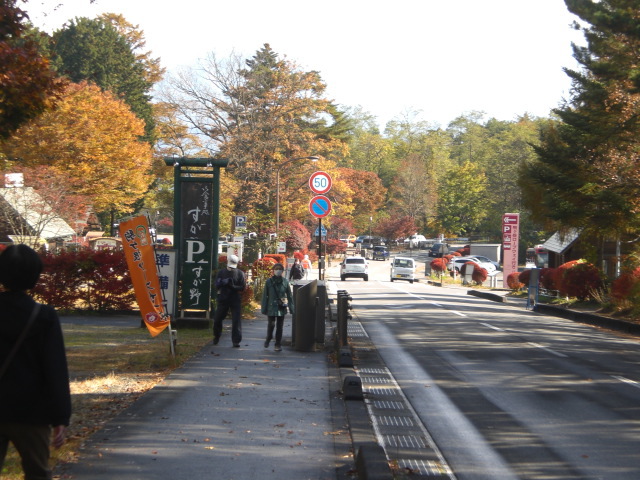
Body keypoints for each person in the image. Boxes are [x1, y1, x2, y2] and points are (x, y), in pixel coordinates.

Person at [0, 244, 71, 480]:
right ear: (35, 276)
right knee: (38, 472)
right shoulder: (43, 316)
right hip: (33, 411)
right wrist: (61, 417)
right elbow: (55, 369)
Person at [213, 254, 246, 347]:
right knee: (217, 319)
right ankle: (216, 336)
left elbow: (242, 287)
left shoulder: (240, 273)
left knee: (236, 320)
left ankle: (236, 341)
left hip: (235, 299)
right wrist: (222, 283)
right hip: (223, 298)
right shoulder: (221, 272)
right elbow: (216, 284)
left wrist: (233, 286)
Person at [261, 263, 294, 352]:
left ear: (282, 271)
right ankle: (268, 338)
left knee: (280, 326)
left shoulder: (285, 282)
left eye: (280, 269)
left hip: (281, 307)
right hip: (271, 307)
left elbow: (290, 296)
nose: (278, 270)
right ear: (273, 270)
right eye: (276, 269)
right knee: (271, 325)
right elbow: (265, 296)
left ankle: (278, 344)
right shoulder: (269, 282)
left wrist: (291, 308)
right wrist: (264, 308)